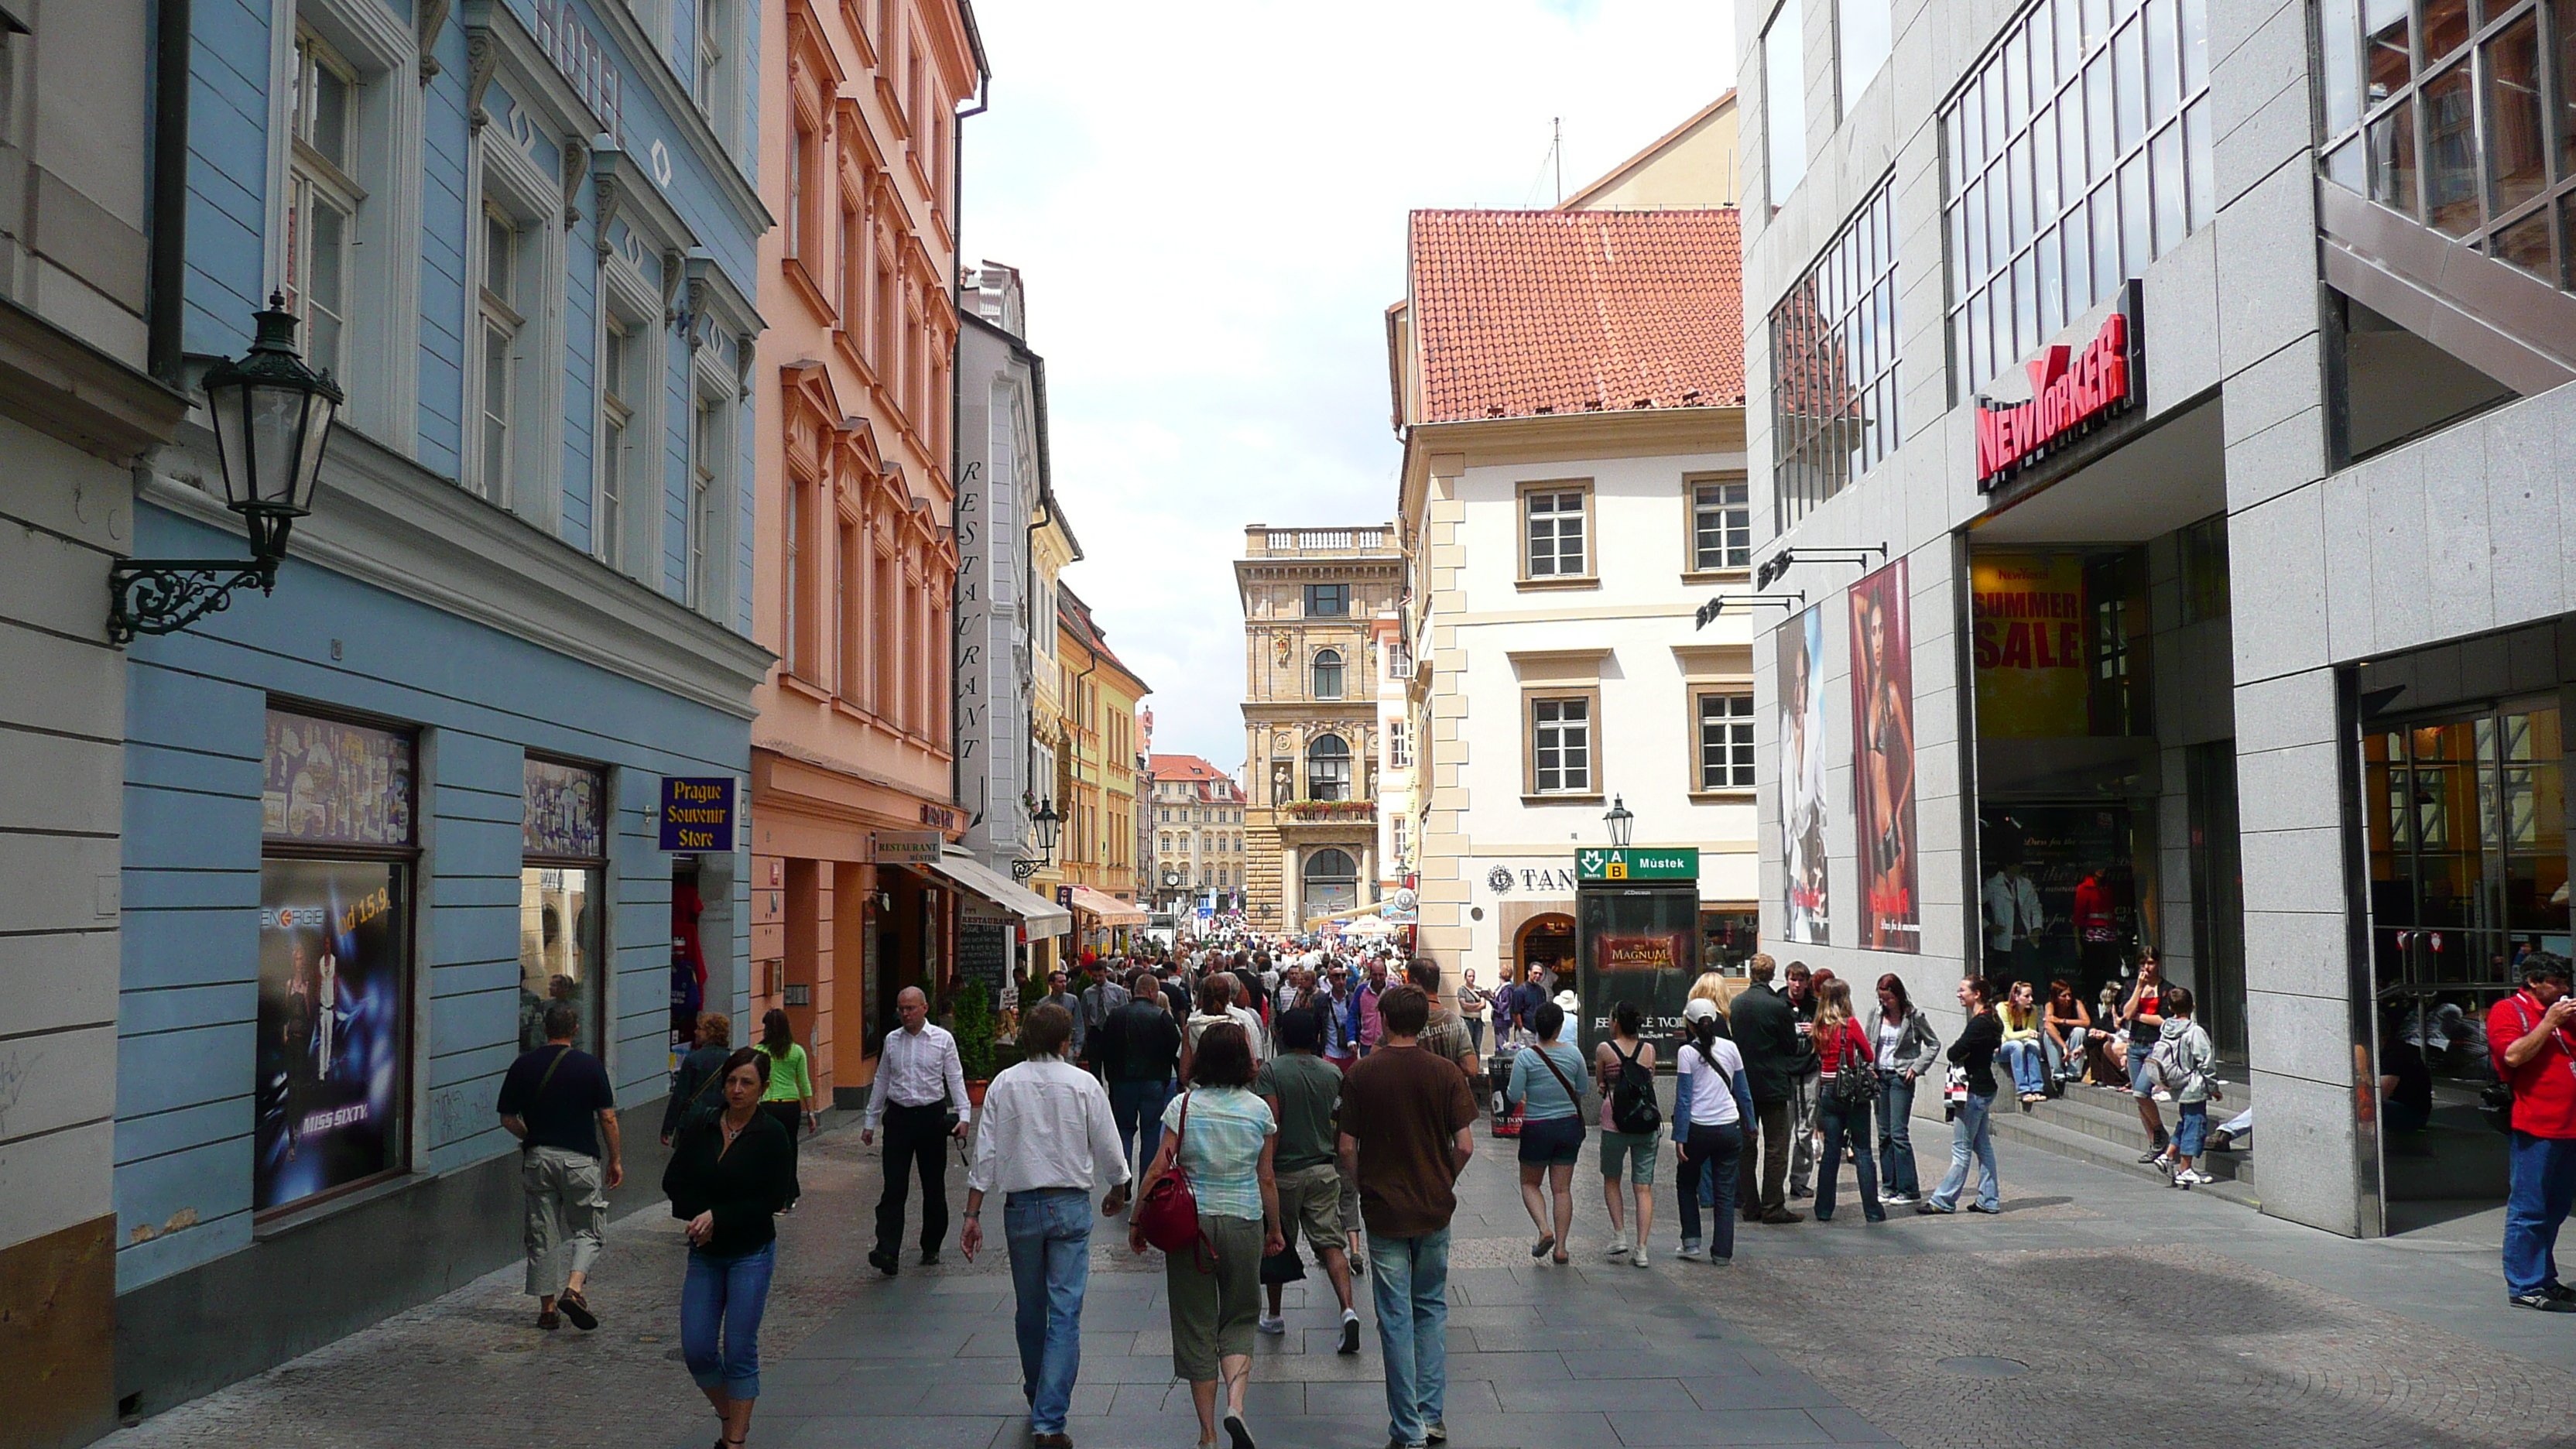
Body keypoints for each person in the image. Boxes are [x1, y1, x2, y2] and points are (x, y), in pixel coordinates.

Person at [960, 1003, 1131, 1449]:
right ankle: (1049, 1420)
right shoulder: (1083, 1083)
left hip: (1020, 1208)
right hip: (1070, 1206)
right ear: (1063, 1041)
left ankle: (1038, 1392)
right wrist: (1120, 1188)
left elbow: (986, 1153)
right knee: (1066, 1312)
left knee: (1030, 1309)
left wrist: (972, 1214)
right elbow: (1110, 1148)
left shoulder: (1003, 1084)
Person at [1338, 984, 1477, 1449]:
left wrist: (1363, 1185)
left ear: (1385, 1019)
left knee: (1394, 1316)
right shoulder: (1445, 1073)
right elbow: (1465, 1144)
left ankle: (1407, 1426)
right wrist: (1444, 1179)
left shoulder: (1362, 1073)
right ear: (1421, 1022)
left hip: (1384, 1211)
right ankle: (1430, 1415)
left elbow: (1346, 1148)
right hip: (1434, 1206)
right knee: (1431, 1307)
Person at [1131, 1023, 1279, 1449]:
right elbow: (1266, 1178)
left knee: (1196, 1324)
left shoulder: (1184, 1105)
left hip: (1191, 1227)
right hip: (1245, 1221)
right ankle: (1236, 1405)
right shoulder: (1258, 1112)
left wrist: (1137, 1219)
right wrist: (1275, 1229)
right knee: (1240, 1318)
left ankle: (1208, 1433)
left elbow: (1160, 1169)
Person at [663, 1046, 793, 1449]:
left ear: (763, 1089)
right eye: (732, 1081)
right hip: (705, 1254)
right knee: (698, 1350)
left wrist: (720, 1215)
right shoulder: (703, 1124)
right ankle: (730, 1412)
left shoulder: (771, 1135)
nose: (736, 1090)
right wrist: (697, 1215)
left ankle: (733, 1441)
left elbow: (776, 1199)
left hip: (751, 1253)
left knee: (738, 1348)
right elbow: (674, 1182)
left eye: (746, 1083)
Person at [495, 1002, 622, 1331]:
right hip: (580, 1159)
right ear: (575, 1030)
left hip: (539, 1159)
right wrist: (616, 1159)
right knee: (590, 1229)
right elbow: (607, 1117)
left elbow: (508, 1118)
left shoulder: (523, 1066)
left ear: (544, 1029)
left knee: (542, 1233)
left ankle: (548, 1309)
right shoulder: (590, 1066)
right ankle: (574, 1288)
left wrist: (530, 1138)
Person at [1252, 1005, 1362, 1352]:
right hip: (1322, 1170)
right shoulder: (1331, 1074)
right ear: (1317, 1037)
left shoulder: (1270, 1072)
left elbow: (1272, 1121)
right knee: (1331, 1244)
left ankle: (1274, 1314)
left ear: (1282, 1036)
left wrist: (1264, 1167)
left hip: (1283, 1171)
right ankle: (1347, 1309)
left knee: (1276, 1241)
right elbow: (1339, 1120)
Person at [862, 986, 971, 1276]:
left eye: (910, 1008)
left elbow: (955, 1077)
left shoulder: (942, 1040)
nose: (905, 1014)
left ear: (924, 1008)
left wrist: (965, 1116)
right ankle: (887, 1250)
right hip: (898, 1118)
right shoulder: (892, 1041)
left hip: (931, 1117)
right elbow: (882, 1079)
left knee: (933, 1186)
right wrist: (870, 1121)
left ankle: (931, 1245)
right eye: (901, 1009)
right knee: (894, 1187)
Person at [2487, 959, 2576, 1304]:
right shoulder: (2509, 1011)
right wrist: (2549, 1022)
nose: (2565, 990)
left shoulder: (2565, 1014)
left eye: (2567, 982)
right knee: (2530, 1208)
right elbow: (2512, 1055)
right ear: (2533, 982)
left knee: (2555, 1208)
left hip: (2569, 1126)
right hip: (2537, 1125)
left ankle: (2544, 1276)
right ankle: (2525, 1285)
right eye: (2557, 982)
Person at [1504, 999, 1586, 1265]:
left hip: (1537, 1127)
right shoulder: (1574, 1054)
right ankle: (1561, 1248)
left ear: (1535, 1026)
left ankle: (1544, 1229)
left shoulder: (1526, 1057)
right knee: (1562, 1189)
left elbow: (1514, 1094)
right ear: (1560, 1027)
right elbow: (1582, 1089)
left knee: (1530, 1183)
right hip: (1568, 1125)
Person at [1727, 956, 1804, 1224]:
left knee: (1746, 1147)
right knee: (1776, 1147)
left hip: (1745, 1084)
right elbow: (1791, 1046)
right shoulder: (1778, 1006)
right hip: (1773, 1084)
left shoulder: (1737, 1004)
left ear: (1751, 973)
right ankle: (1773, 1205)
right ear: (1772, 976)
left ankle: (1750, 1205)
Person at [1672, 998, 1750, 1263]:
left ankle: (1692, 1241)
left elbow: (1684, 1098)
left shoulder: (1686, 1053)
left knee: (1686, 1183)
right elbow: (1743, 1092)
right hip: (1729, 1127)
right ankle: (1722, 1253)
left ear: (1691, 1025)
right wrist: (1750, 1124)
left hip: (1698, 1129)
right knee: (1725, 1193)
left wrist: (1680, 1137)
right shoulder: (1731, 1048)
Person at [1918, 977, 2003, 1215]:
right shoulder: (1990, 1020)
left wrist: (1960, 1052)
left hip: (1973, 1091)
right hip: (1984, 1088)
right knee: (1982, 1145)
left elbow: (1954, 1051)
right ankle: (1989, 1199)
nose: (1958, 994)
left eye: (1962, 990)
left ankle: (1943, 1200)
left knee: (1961, 1148)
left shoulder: (1980, 1023)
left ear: (1977, 994)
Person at [1808, 978, 1884, 1225]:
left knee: (1831, 1150)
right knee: (1862, 1150)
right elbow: (1869, 1054)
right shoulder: (1850, 1024)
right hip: (1853, 1092)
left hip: (1828, 1090)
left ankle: (1823, 1209)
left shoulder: (1819, 1027)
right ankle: (1872, 1211)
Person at [1098, 968, 1184, 1173]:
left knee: (1124, 1131)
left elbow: (1105, 1051)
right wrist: (1179, 1079)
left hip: (1123, 1082)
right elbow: (1175, 1050)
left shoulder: (1116, 1016)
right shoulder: (1162, 1016)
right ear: (1152, 992)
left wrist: (1111, 1080)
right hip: (1154, 1081)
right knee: (1151, 1133)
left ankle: (1123, 1180)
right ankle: (1147, 1183)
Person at [1592, 1001, 1658, 1267]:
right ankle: (1641, 1249)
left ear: (1616, 1022)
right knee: (1643, 1188)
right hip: (1644, 1120)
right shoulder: (1649, 1050)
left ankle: (1620, 1235)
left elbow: (1601, 1083)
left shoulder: (1605, 1050)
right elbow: (1648, 1081)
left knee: (1612, 1179)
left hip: (1614, 1121)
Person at [1869, 975, 1939, 1206]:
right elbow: (1870, 1043)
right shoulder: (1876, 1014)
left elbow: (1933, 1044)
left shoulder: (1914, 1016)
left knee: (1898, 1133)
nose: (1885, 1003)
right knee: (1883, 1134)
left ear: (1898, 996)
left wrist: (1917, 1067)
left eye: (1888, 998)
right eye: (1882, 998)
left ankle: (1909, 1189)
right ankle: (1889, 1186)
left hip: (1901, 1078)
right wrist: (1869, 1066)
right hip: (1880, 1076)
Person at [2153, 985, 2218, 1189]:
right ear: (2193, 1006)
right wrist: (2213, 1086)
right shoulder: (2194, 1031)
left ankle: (2168, 1155)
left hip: (2176, 1084)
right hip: (2194, 1085)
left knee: (2186, 1121)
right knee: (2196, 1124)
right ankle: (2185, 1169)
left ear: (2171, 1008)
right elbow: (2205, 1061)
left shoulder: (2166, 1028)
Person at [755, 1009, 819, 1208]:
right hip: (791, 1106)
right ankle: (788, 1195)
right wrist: (810, 1112)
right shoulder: (797, 1051)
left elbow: (756, 1082)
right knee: (790, 1149)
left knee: (767, 1152)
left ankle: (770, 1194)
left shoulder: (759, 1052)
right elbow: (804, 1083)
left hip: (767, 1105)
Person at [2121, 954, 2172, 1163]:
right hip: (2134, 1045)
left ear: (2157, 964)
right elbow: (2126, 1012)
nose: (2147, 967)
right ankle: (2155, 1144)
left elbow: (2162, 1021)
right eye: (2143, 963)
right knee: (2138, 1098)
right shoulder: (2132, 985)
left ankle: (2160, 1131)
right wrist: (2139, 989)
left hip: (2154, 1046)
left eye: (2150, 963)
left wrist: (2138, 1016)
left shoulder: (2167, 988)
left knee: (2142, 1091)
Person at [1781, 961, 1822, 1200]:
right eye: (1793, 980)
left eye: (1801, 981)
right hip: (1786, 1073)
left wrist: (1816, 1031)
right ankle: (1778, 1180)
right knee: (1783, 1130)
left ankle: (1800, 1180)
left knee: (1806, 1128)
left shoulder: (1815, 1006)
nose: (1797, 985)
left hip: (1809, 1071)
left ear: (1807, 982)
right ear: (1787, 980)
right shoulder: (1779, 1003)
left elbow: (1830, 1033)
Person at [662, 1010, 734, 1145]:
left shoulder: (694, 1059)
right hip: (721, 1122)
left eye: (700, 1029)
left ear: (710, 1033)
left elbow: (680, 1095)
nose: (695, 1032)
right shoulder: (731, 1060)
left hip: (693, 1121)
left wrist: (668, 1127)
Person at [1982, 860, 2043, 978]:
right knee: (2007, 978)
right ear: (2007, 865)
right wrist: (1988, 926)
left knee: (2027, 977)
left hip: (2026, 939)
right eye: (2016, 863)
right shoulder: (1993, 884)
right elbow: (1975, 906)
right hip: (2004, 939)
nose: (2019, 867)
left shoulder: (2026, 884)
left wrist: (2037, 928)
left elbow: (2036, 907)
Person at [1997, 981, 2049, 1108]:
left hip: (2021, 1046)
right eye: (2026, 996)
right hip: (2002, 1048)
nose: (2030, 1000)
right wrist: (2027, 1033)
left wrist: (2031, 1035)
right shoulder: (2002, 1008)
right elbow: (2008, 1034)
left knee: (2034, 1045)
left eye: (2031, 996)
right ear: (2016, 996)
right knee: (2017, 1045)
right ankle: (2023, 1089)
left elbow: (2030, 1034)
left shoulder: (2033, 1010)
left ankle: (2037, 1088)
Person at [1081, 958, 1131, 1074]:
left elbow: (1124, 1013)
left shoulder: (1117, 991)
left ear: (1106, 973)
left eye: (1100, 976)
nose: (1098, 979)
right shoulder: (1088, 993)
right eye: (1095, 976)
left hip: (1112, 1031)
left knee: (1112, 1069)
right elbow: (1085, 1015)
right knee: (1094, 1069)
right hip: (1095, 1032)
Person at [2041, 978, 2093, 1088]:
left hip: (2072, 1041)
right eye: (2064, 996)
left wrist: (2062, 1021)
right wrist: (2064, 1046)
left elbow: (2086, 1022)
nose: (2068, 999)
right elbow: (2048, 1025)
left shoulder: (2077, 1003)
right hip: (2058, 1044)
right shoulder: (2050, 1005)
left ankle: (2074, 1072)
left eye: (2069, 995)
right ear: (2056, 997)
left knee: (2080, 1031)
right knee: (2048, 1034)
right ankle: (2057, 1074)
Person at [1040, 969, 1086, 1057]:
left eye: (1065, 981)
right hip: (1048, 1047)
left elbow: (1078, 1023)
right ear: (1051, 984)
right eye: (1060, 982)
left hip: (1068, 1046)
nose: (1064, 984)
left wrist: (1078, 1047)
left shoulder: (1072, 1000)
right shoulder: (1043, 1003)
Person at [1455, 970, 1488, 1056]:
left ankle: (1476, 1067)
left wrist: (1472, 1007)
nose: (1472, 978)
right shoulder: (1462, 990)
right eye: (1470, 976)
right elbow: (1464, 1006)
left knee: (1477, 1047)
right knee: (1468, 1046)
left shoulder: (1479, 989)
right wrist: (1477, 1005)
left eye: (1473, 976)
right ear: (1465, 977)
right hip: (1467, 1020)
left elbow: (1484, 1005)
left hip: (1478, 1021)